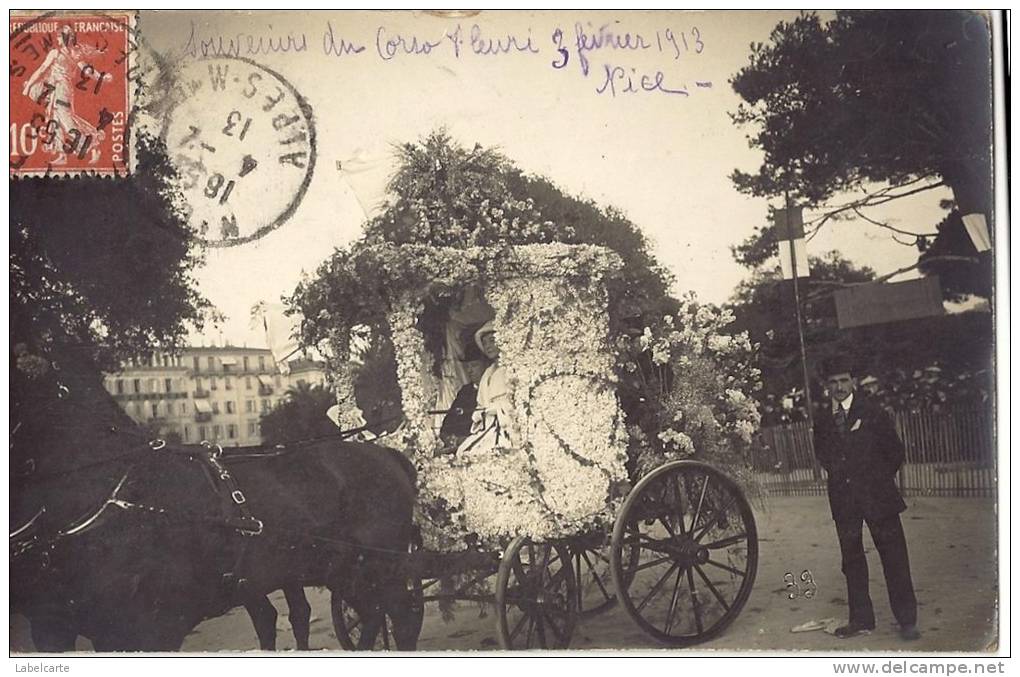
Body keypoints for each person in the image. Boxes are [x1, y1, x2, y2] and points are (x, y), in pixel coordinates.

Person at [813, 357, 920, 641]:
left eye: (844, 380)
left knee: (894, 558)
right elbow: (822, 453)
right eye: (833, 382)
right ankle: (861, 620)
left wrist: (875, 479)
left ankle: (907, 620)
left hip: (878, 497)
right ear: (827, 386)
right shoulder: (823, 418)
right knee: (852, 561)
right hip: (844, 499)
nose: (839, 387)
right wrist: (842, 474)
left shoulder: (872, 411)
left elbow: (895, 451)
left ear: (853, 381)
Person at [456, 321, 514, 455]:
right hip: (488, 425)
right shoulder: (488, 373)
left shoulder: (511, 368)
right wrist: (480, 414)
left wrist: (498, 410)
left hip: (508, 426)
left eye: (491, 341)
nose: (488, 346)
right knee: (464, 452)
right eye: (485, 343)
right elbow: (480, 404)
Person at [438, 341, 488, 450]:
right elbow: (446, 425)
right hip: (458, 447)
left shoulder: (491, 388)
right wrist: (451, 439)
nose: (469, 370)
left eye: (474, 365)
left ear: (486, 365)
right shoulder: (465, 391)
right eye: (467, 366)